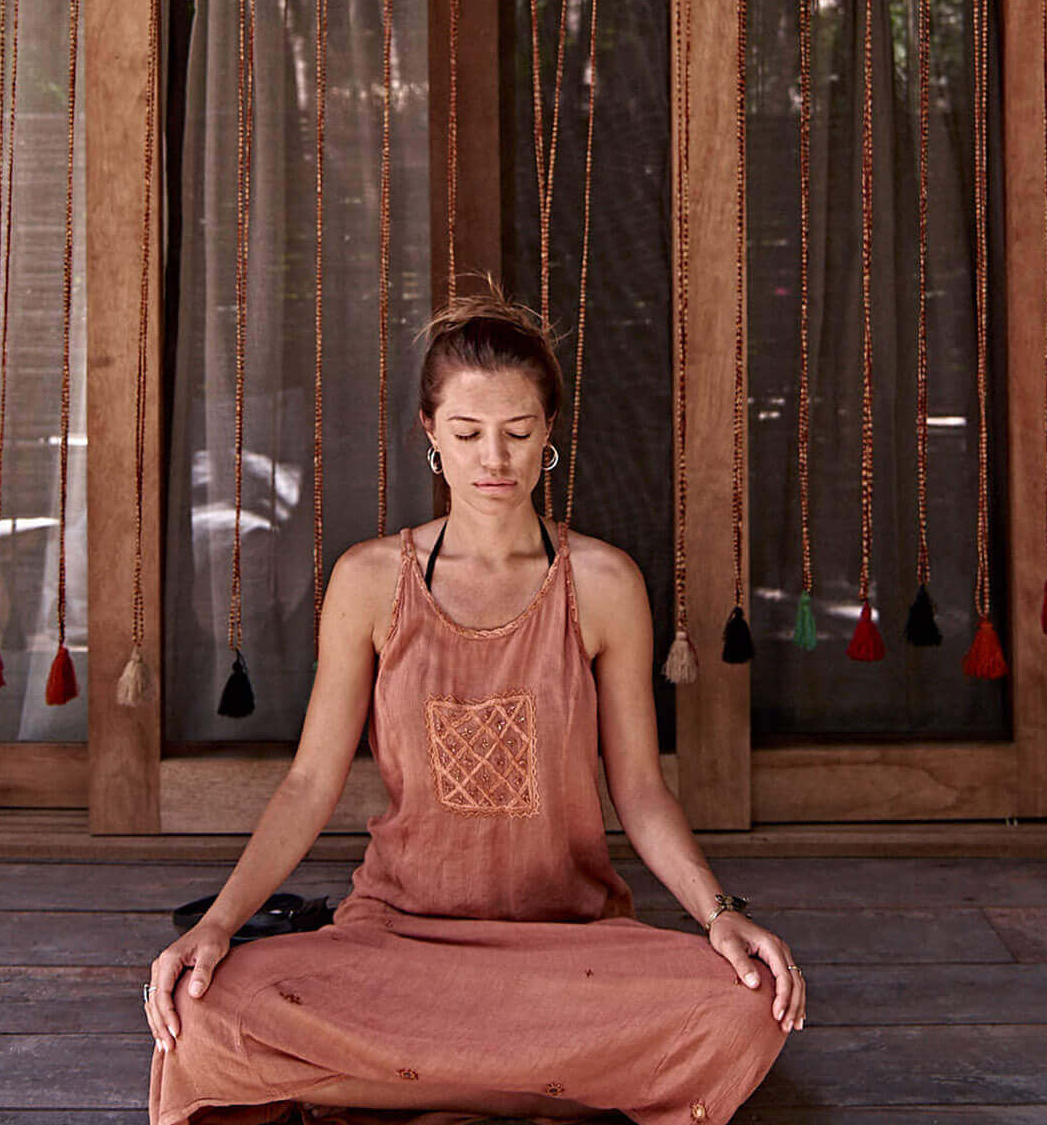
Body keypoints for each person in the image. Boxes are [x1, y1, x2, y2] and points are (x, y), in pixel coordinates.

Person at [147, 284, 802, 1125]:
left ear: (550, 431)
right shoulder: (368, 580)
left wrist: (720, 913)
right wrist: (218, 924)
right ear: (430, 431)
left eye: (518, 431)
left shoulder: (603, 584)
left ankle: (417, 1082)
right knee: (201, 1014)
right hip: (398, 939)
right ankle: (541, 1086)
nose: (494, 457)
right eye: (467, 432)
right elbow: (309, 783)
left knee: (748, 1007)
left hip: (569, 949)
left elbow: (640, 788)